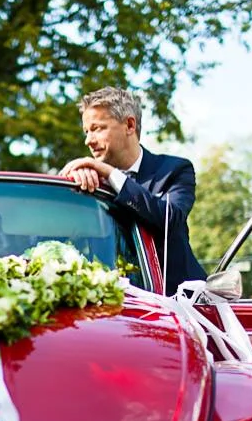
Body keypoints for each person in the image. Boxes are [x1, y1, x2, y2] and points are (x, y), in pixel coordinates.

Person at [59, 87, 207, 294]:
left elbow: (170, 219)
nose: (88, 140)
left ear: (129, 125)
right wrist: (71, 183)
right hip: (107, 303)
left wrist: (111, 174)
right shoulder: (90, 180)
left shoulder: (174, 170)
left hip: (180, 302)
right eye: (86, 131)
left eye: (97, 128)